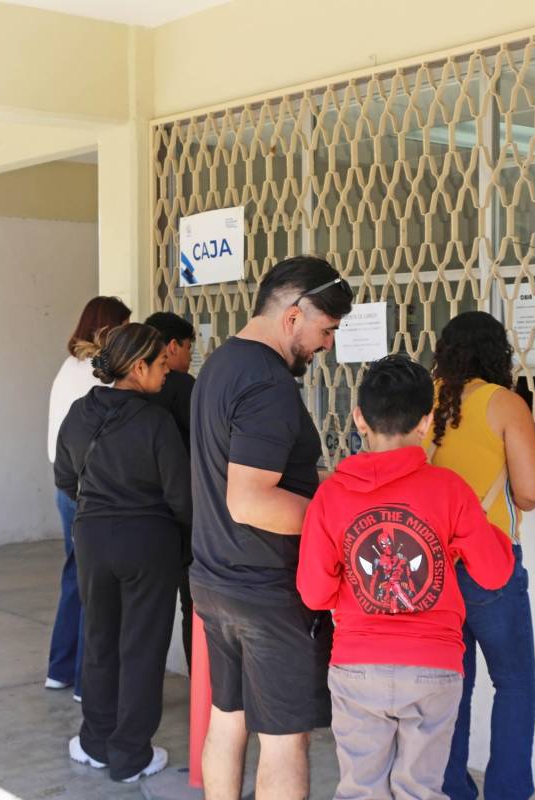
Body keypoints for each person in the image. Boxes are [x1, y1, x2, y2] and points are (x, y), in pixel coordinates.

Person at [297, 355, 515, 799]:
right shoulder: (451, 490)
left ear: (359, 417)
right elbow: (494, 574)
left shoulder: (330, 494)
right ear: (426, 421)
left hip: (357, 666)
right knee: (420, 790)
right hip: (433, 669)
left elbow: (314, 593)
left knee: (360, 789)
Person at [190, 255, 353, 800]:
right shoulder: (268, 385)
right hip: (266, 590)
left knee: (228, 718)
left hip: (216, 583)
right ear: (293, 315)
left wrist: (332, 483)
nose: (327, 344)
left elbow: (258, 471)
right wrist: (340, 519)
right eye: (325, 329)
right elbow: (250, 499)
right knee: (285, 740)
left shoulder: (219, 365)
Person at [54, 323, 191, 783]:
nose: (168, 372)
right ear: (138, 368)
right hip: (148, 542)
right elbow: (181, 498)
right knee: (142, 647)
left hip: (92, 538)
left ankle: (95, 741)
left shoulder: (79, 413)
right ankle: (130, 754)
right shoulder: (155, 422)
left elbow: (65, 479)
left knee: (100, 639)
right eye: (161, 364)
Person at [426, 311, 535, 800]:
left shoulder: (426, 401)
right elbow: (532, 490)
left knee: (455, 684)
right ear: (497, 352)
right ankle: (507, 792)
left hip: (434, 565)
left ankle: (452, 788)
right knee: (515, 682)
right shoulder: (504, 404)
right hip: (490, 563)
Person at [45, 295, 131, 699]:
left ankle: (60, 669)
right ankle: (86, 681)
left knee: (75, 578)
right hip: (91, 491)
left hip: (65, 487)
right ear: (110, 328)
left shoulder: (68, 367)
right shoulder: (100, 374)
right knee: (95, 587)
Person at [144, 310, 197, 669]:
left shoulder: (125, 394)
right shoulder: (184, 387)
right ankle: (201, 682)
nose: (188, 357)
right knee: (193, 602)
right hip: (185, 510)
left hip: (143, 515)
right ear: (173, 346)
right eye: (189, 348)